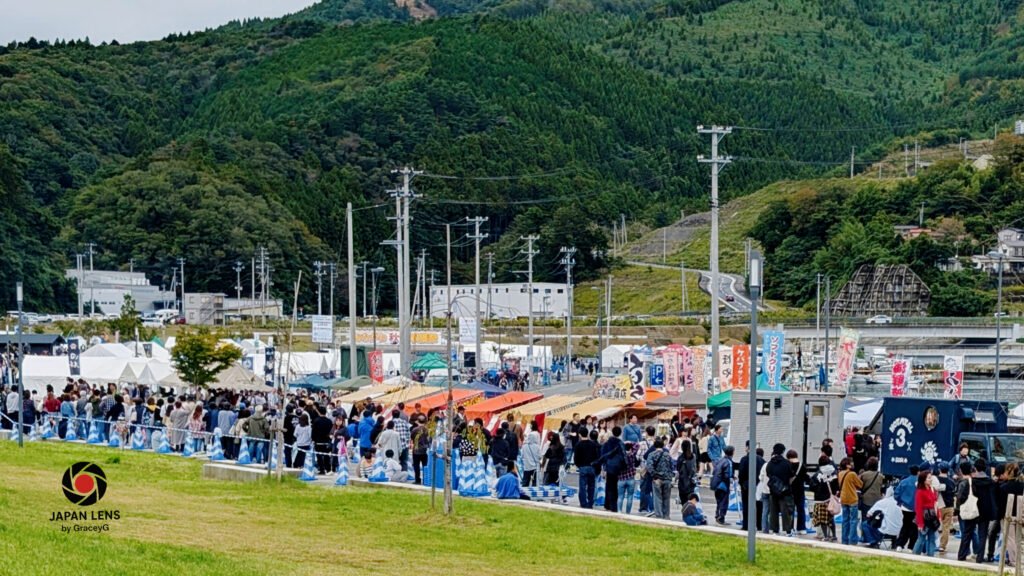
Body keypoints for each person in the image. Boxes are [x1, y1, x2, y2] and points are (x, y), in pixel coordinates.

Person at [595, 425, 626, 513]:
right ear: (620, 433)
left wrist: (603, 468)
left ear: (612, 432)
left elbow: (603, 456)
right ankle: (613, 505)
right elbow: (624, 456)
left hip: (609, 467)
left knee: (609, 485)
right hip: (618, 467)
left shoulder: (607, 443)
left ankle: (607, 504)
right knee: (615, 487)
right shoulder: (621, 443)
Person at [766, 443, 795, 536]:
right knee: (785, 511)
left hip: (773, 490)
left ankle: (774, 529)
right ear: (783, 451)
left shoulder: (770, 463)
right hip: (784, 490)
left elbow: (768, 475)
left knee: (773, 511)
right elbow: (791, 475)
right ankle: (788, 530)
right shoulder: (786, 463)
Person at [912, 469, 940, 557]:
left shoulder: (932, 489)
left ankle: (931, 557)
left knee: (932, 538)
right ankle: (914, 556)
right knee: (921, 538)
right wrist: (920, 523)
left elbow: (935, 503)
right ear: (923, 480)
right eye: (928, 478)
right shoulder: (920, 492)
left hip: (932, 516)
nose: (931, 479)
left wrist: (938, 516)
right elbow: (918, 508)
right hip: (924, 516)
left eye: (931, 478)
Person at [646, 438, 674, 520]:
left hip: (657, 479)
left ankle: (659, 516)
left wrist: (654, 476)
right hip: (667, 479)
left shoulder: (651, 454)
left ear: (654, 445)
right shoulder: (668, 455)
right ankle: (666, 515)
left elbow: (649, 467)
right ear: (663, 445)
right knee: (666, 498)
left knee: (657, 498)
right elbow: (672, 466)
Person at [810, 458, 838, 541]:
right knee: (831, 518)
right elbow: (836, 486)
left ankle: (825, 536)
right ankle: (834, 535)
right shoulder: (834, 473)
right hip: (830, 499)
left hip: (820, 500)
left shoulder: (817, 474)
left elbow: (812, 487)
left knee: (822, 519)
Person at [894, 465, 920, 551]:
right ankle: (911, 546)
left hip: (905, 507)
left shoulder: (904, 482)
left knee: (905, 525)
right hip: (917, 508)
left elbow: (896, 494)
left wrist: (900, 502)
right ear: (918, 472)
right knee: (914, 527)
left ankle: (900, 545)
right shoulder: (920, 482)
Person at [837, 457, 863, 545]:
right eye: (850, 463)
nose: (852, 464)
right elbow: (860, 484)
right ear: (847, 465)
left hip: (843, 498)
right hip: (852, 498)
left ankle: (844, 539)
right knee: (853, 520)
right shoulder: (852, 474)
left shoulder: (840, 474)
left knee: (845, 520)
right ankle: (852, 540)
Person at [573, 429, 600, 509]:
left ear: (580, 435)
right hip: (592, 467)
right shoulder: (593, 444)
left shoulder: (578, 445)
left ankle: (583, 503)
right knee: (591, 486)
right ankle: (590, 502)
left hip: (582, 467)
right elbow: (596, 456)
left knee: (582, 486)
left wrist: (579, 465)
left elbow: (576, 458)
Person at [934, 461, 956, 553]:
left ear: (939, 469)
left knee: (934, 526)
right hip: (949, 506)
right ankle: (942, 546)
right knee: (946, 527)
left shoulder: (935, 480)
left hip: (938, 506)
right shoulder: (951, 481)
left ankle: (933, 543)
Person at [712, 445, 735, 525]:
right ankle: (721, 518)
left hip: (716, 484)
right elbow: (727, 475)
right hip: (724, 485)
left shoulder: (720, 460)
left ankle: (717, 515)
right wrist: (731, 478)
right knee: (724, 502)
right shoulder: (729, 462)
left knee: (719, 502)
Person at [676, 439, 699, 515]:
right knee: (691, 500)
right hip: (691, 483)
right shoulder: (693, 457)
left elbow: (678, 469)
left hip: (682, 482)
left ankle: (685, 514)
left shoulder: (680, 458)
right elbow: (694, 469)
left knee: (683, 500)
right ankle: (691, 513)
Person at [618, 441, 639, 514]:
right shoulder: (632, 454)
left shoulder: (620, 456)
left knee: (620, 496)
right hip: (631, 478)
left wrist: (623, 443)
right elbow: (637, 445)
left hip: (621, 478)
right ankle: (628, 512)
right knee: (630, 496)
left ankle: (619, 511)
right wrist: (630, 442)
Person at [520, 421, 542, 487]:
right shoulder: (537, 446)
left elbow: (522, 456)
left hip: (527, 466)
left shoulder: (524, 446)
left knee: (525, 481)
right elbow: (540, 456)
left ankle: (523, 493)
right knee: (535, 482)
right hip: (535, 466)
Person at [410, 416, 430, 485]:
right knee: (425, 465)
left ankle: (417, 480)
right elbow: (429, 439)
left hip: (416, 450)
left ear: (418, 421)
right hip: (425, 450)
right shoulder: (427, 430)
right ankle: (425, 479)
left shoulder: (415, 429)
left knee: (416, 466)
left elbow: (412, 437)